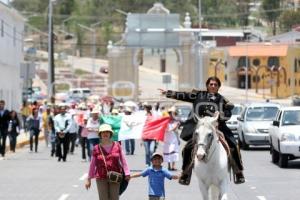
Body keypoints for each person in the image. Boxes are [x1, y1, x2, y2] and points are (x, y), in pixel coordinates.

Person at [159, 76, 245, 185]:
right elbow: (184, 96)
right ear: (207, 85)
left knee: (233, 145)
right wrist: (168, 93)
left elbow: (228, 114)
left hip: (216, 128)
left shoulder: (223, 100)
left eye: (215, 85)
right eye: (211, 84)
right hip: (200, 128)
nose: (213, 86)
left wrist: (220, 116)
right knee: (187, 148)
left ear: (218, 87)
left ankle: (238, 172)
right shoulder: (198, 95)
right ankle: (186, 174)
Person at [85, 124, 130, 200]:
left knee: (114, 198)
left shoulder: (117, 145)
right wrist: (88, 178)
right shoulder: (96, 148)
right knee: (103, 198)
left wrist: (127, 173)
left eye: (107, 132)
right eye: (103, 132)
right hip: (101, 176)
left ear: (110, 134)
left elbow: (123, 160)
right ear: (100, 134)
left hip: (115, 175)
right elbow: (92, 165)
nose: (105, 134)